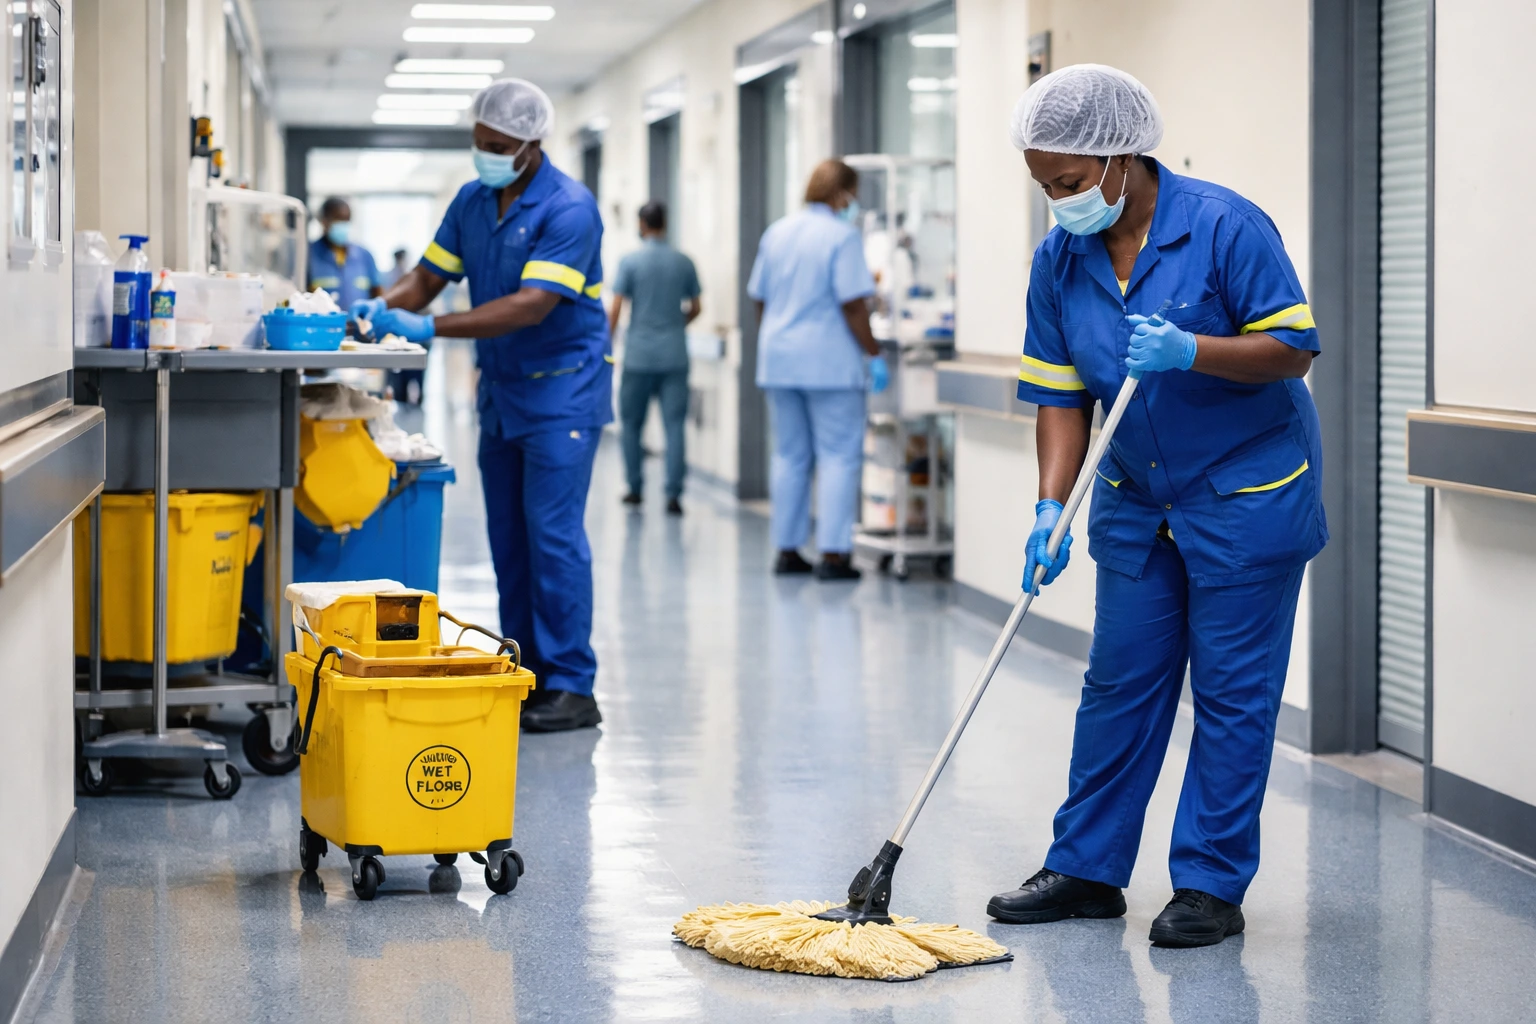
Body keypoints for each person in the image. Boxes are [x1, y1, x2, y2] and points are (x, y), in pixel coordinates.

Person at [986, 65, 1327, 948]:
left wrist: (1191, 350)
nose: (1058, 201)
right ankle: (1087, 870)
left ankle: (1209, 884)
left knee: (1231, 694)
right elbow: (1060, 392)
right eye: (1043, 186)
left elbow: (1292, 348)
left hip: (1243, 495)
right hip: (1138, 500)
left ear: (1120, 157)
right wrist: (1049, 509)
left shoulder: (1224, 225)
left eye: (1067, 181)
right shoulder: (1060, 261)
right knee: (1118, 684)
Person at [353, 79, 610, 733]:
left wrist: (431, 328)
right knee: (509, 540)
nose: (486, 155)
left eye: (498, 146)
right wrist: (380, 306)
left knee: (552, 536)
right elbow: (428, 276)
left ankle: (572, 685)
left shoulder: (569, 209)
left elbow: (532, 305)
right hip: (502, 393)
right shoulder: (472, 200)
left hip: (561, 392)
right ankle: (528, 672)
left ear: (531, 144)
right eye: (480, 143)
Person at [748, 159, 888, 582]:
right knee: (838, 457)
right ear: (842, 193)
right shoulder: (841, 236)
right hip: (829, 365)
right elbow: (853, 305)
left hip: (779, 362)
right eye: (853, 194)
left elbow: (759, 298)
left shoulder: (777, 232)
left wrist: (780, 337)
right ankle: (833, 555)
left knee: (789, 456)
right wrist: (873, 353)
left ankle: (787, 551)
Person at [609, 200, 701, 515]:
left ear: (642, 224)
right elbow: (696, 307)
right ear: (665, 224)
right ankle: (674, 494)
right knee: (674, 426)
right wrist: (675, 326)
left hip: (638, 356)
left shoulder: (630, 262)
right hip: (674, 355)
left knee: (632, 425)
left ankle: (635, 489)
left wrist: (606, 344)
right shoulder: (683, 262)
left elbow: (616, 308)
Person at [308, 197, 383, 309]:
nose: (343, 224)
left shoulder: (364, 256)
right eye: (338, 219)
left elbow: (378, 293)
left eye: (346, 219)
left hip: (359, 319)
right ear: (324, 221)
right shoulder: (308, 254)